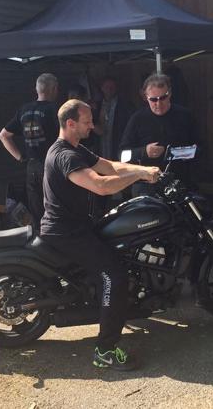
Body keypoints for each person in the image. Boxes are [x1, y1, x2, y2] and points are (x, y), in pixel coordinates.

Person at [40, 99, 160, 371]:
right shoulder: (65, 156)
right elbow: (101, 185)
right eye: (87, 122)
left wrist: (143, 169)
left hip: (77, 226)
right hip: (66, 232)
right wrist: (139, 177)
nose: (92, 126)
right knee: (114, 276)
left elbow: (110, 167)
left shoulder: (75, 148)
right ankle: (105, 350)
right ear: (71, 123)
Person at [119, 73, 197, 196]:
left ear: (169, 94)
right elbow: (122, 155)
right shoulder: (137, 119)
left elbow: (200, 147)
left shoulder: (185, 116)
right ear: (146, 97)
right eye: (153, 99)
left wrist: (184, 153)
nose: (159, 104)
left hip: (179, 182)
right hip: (146, 185)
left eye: (163, 98)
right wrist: (144, 152)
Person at [0, 73, 59, 231]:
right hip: (51, 166)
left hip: (31, 166)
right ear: (53, 89)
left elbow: (3, 136)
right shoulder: (54, 110)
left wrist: (21, 158)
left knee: (37, 210)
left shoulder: (23, 110)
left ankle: (39, 238)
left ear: (37, 89)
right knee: (56, 208)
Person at [96, 76, 135, 161]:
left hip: (117, 146)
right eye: (107, 87)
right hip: (101, 148)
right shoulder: (96, 106)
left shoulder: (125, 105)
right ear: (102, 88)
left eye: (112, 87)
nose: (109, 90)